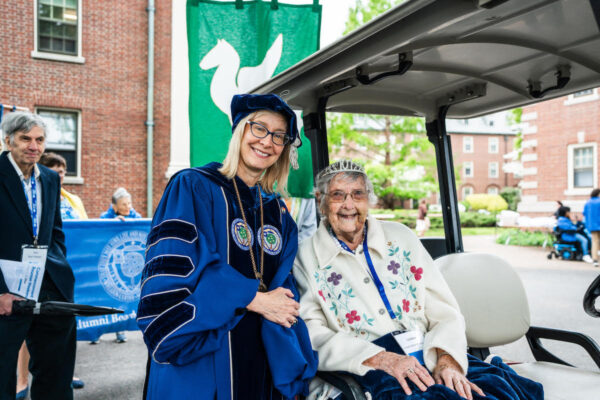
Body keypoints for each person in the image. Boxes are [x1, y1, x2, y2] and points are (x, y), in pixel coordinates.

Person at [293, 160, 544, 400]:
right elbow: (311, 334)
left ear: (368, 199)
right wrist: (381, 358)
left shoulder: (402, 237)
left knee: (488, 391)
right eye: (338, 195)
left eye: (357, 194)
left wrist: (447, 360)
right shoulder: (305, 255)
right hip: (365, 366)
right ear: (321, 201)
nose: (349, 204)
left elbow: (444, 311)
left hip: (427, 352)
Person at [137, 94, 318, 399]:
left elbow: (282, 290)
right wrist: (253, 299)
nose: (267, 142)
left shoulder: (278, 213)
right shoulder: (193, 186)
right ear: (239, 131)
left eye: (279, 136)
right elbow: (175, 272)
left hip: (262, 358)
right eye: (259, 128)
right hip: (203, 354)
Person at [0, 111, 76, 400]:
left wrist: (60, 272)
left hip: (50, 287)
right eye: (25, 139)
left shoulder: (48, 178)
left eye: (40, 139)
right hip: (6, 292)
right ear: (8, 140)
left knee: (56, 373)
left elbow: (55, 232)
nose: (34, 146)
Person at [13, 153, 86, 396]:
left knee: (55, 356)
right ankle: (21, 379)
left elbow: (58, 231)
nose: (61, 174)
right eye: (26, 139)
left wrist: (57, 260)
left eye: (64, 170)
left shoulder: (66, 195)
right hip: (16, 275)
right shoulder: (17, 185)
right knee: (22, 334)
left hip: (53, 274)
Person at [98, 187, 141, 343]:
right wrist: (111, 223)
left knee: (121, 299)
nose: (128, 207)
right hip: (108, 264)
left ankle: (120, 330)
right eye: (124, 204)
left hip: (126, 264)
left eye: (129, 203)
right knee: (105, 299)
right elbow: (98, 231)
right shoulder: (106, 217)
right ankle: (97, 331)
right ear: (114, 207)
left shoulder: (136, 216)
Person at [583, 189, 600, 267]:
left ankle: (595, 260)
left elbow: (584, 214)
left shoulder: (588, 202)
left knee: (595, 242)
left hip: (592, 226)